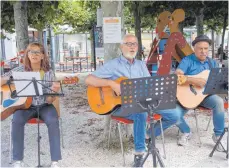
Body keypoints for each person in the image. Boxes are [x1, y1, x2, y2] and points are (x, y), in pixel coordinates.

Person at [85, 34, 150, 167]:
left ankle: (147, 137)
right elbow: (89, 80)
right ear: (122, 47)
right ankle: (139, 153)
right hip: (119, 107)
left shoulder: (141, 65)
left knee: (161, 110)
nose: (132, 47)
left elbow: (148, 84)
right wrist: (111, 83)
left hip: (138, 103)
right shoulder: (113, 65)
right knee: (141, 113)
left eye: (135, 44)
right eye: (128, 44)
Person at [1, 42, 62, 167]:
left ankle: (55, 161)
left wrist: (54, 91)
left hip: (45, 106)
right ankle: (18, 160)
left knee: (53, 121)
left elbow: (50, 100)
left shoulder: (49, 73)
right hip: (24, 106)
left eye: (37, 52)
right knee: (17, 120)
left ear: (42, 56)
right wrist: (9, 80)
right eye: (31, 51)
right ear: (27, 55)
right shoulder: (19, 70)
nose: (34, 54)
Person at [175, 35, 225, 150]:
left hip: (205, 96)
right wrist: (194, 80)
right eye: (200, 48)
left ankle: (218, 136)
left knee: (218, 101)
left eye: (206, 48)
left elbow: (217, 83)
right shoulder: (187, 60)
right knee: (173, 113)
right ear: (194, 48)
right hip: (187, 96)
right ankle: (186, 131)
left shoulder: (212, 63)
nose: (203, 51)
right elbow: (177, 76)